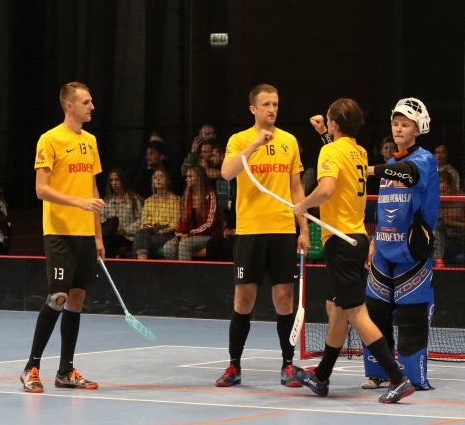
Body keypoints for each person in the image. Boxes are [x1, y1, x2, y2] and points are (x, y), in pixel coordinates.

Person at [288, 98, 414, 403]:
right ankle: (321, 376)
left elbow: (327, 189)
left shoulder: (330, 151)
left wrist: (302, 206)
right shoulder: (359, 151)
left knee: (356, 313)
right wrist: (325, 134)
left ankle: (397, 379)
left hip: (341, 243)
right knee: (337, 310)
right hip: (356, 238)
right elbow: (340, 157)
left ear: (335, 124)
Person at [215, 84, 310, 389]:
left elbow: (296, 188)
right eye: (266, 104)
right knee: (244, 299)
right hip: (250, 231)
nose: (272, 109)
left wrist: (303, 228)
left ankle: (287, 365)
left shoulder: (289, 141)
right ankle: (234, 365)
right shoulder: (240, 139)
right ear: (253, 109)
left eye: (276, 104)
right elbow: (226, 172)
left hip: (282, 230)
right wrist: (256, 143)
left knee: (284, 299)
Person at [20, 82, 105, 393]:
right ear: (69, 106)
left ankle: (66, 371)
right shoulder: (50, 139)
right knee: (58, 298)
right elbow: (41, 189)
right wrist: (78, 203)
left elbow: (93, 190)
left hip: (85, 234)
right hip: (59, 231)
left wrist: (98, 235)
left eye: (91, 101)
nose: (91, 107)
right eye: (86, 102)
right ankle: (31, 368)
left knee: (77, 299)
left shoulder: (91, 141)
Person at [359, 98, 439, 393]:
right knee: (374, 314)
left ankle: (413, 377)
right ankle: (378, 372)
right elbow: (385, 210)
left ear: (417, 130)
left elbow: (410, 173)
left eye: (405, 125)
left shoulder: (424, 161)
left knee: (411, 318)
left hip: (412, 253)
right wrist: (373, 241)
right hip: (382, 250)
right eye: (395, 124)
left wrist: (370, 169)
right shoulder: (391, 163)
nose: (399, 129)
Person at [164, 166, 222, 260]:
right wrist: (179, 234)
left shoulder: (210, 195)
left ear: (199, 178)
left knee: (184, 245)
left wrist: (189, 235)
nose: (186, 179)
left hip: (208, 235)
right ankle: (177, 269)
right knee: (168, 248)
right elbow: (181, 220)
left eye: (190, 176)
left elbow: (210, 223)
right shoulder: (187, 196)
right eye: (187, 176)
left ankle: (186, 270)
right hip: (188, 235)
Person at [433, 171, 465, 267]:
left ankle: (438, 264)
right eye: (439, 192)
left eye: (445, 190)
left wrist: (452, 223)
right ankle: (438, 264)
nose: (442, 195)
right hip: (441, 236)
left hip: (461, 239)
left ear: (452, 185)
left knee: (434, 247)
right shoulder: (435, 200)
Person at [132, 167, 180, 259]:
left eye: (161, 177)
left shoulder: (175, 200)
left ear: (168, 181)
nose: (158, 179)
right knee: (140, 233)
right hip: (151, 231)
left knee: (141, 243)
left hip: (167, 233)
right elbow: (144, 222)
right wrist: (148, 227)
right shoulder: (148, 201)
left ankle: (140, 263)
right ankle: (142, 261)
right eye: (155, 177)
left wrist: (160, 231)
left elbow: (175, 225)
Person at [101, 167, 143, 258]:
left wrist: (125, 230)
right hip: (110, 235)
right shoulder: (108, 200)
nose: (114, 183)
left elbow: (140, 220)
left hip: (128, 237)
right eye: (111, 180)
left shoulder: (133, 199)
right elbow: (102, 217)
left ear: (123, 181)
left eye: (117, 180)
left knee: (107, 243)